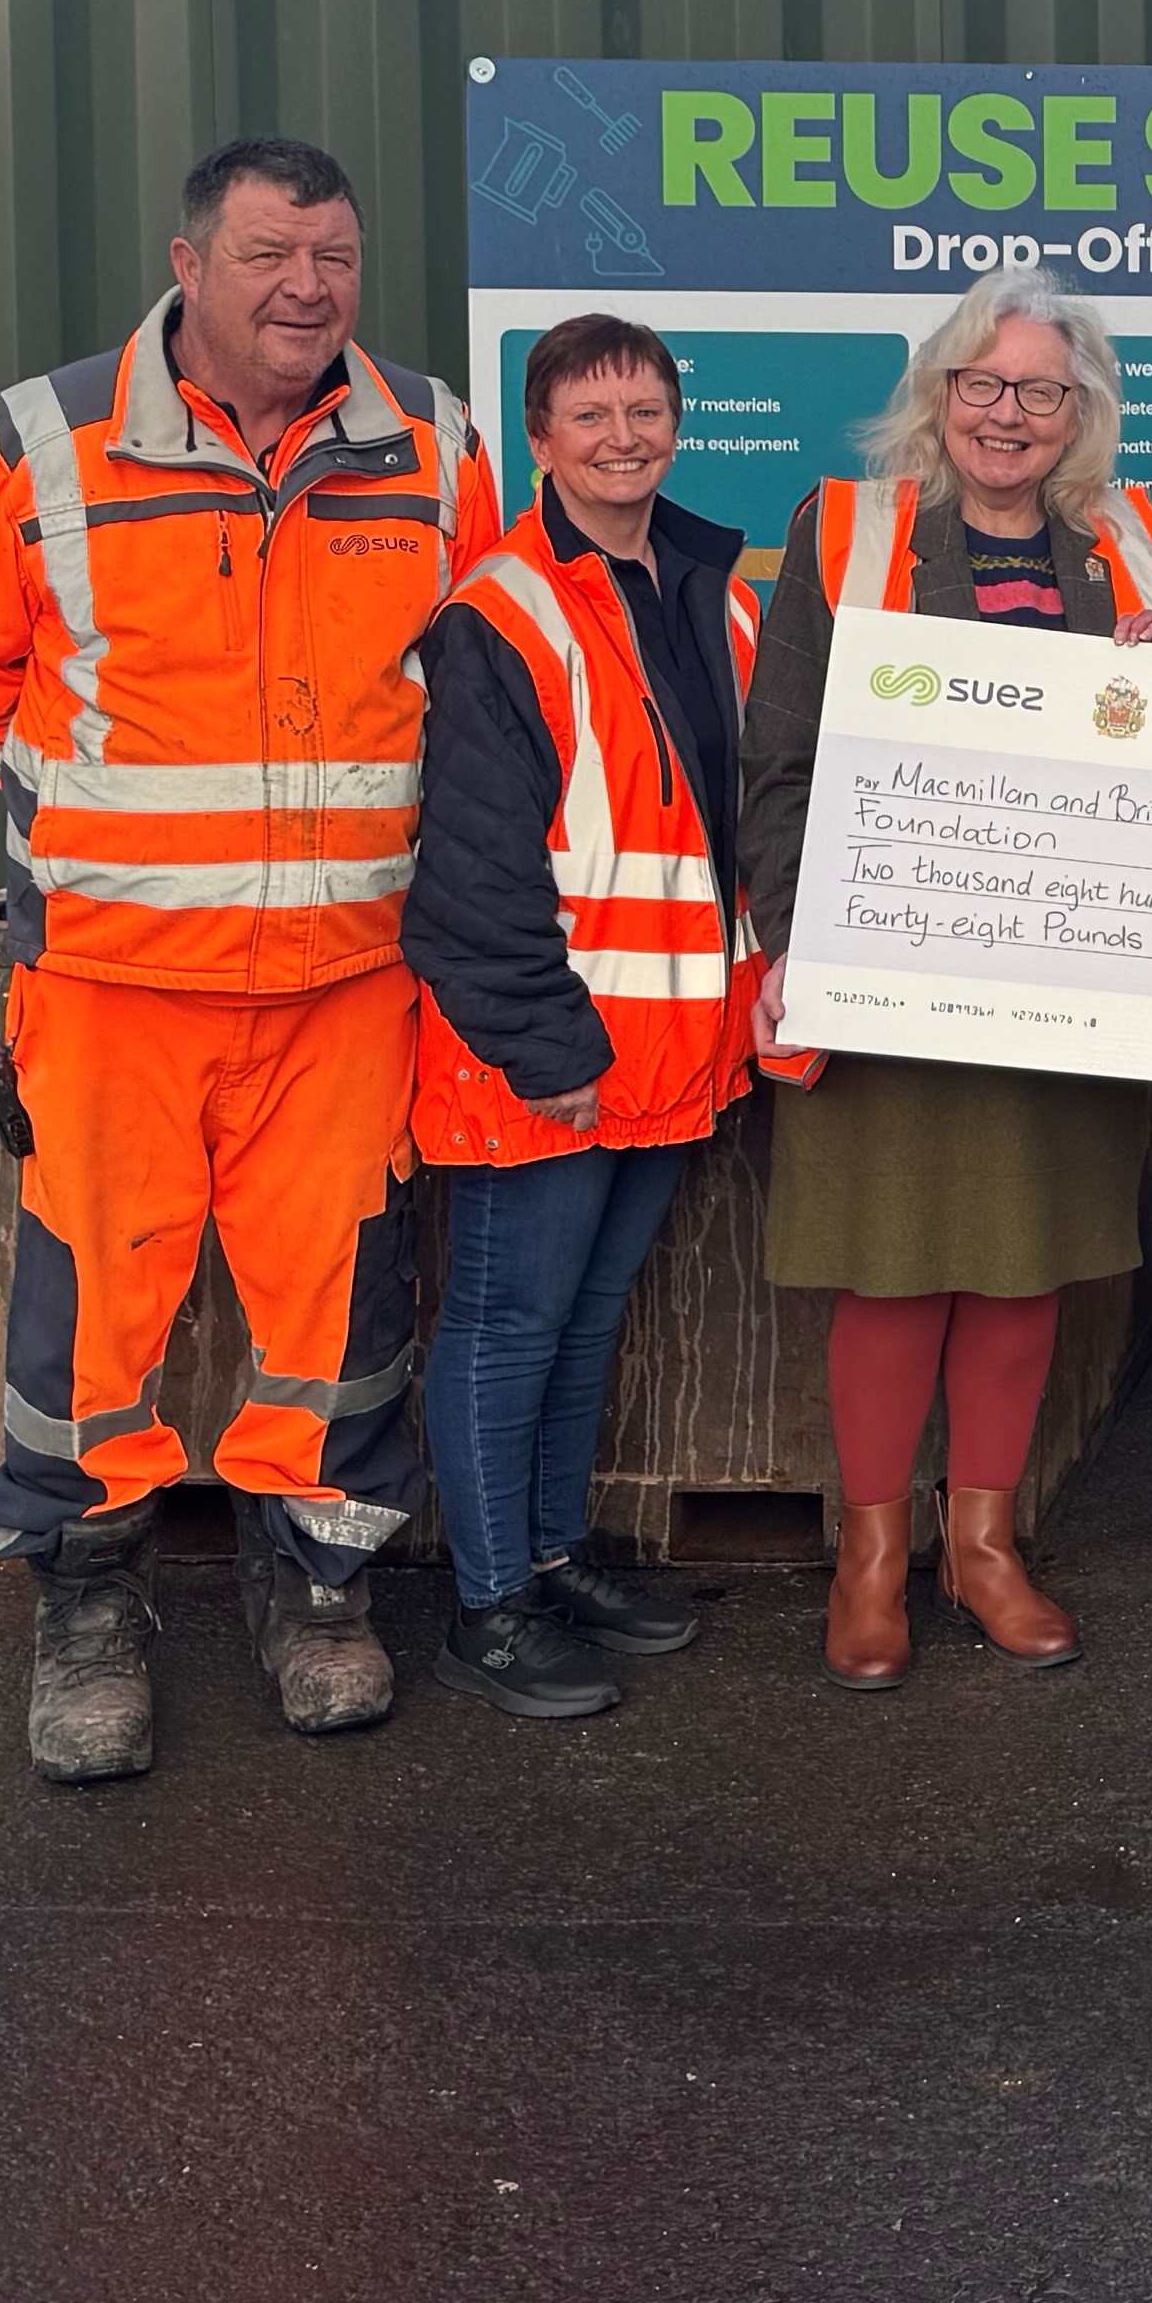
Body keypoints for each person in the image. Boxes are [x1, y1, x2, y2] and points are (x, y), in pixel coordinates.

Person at [0, 136, 502, 1786]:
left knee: (343, 1306)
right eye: (268, 256)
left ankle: (319, 1583)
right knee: (93, 1306)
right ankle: (91, 1595)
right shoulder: (34, 442)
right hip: (109, 976)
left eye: (336, 258)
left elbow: (481, 662)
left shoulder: (433, 444)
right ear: (188, 263)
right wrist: (77, 806)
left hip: (350, 977)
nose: (308, 288)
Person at [737, 264, 1152, 1691]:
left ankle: (983, 1546)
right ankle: (872, 1558)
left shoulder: (1132, 543)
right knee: (890, 1266)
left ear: (1081, 414)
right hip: (883, 967)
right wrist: (793, 938)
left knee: (1018, 1268)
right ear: (938, 393)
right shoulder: (844, 528)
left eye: (1041, 391)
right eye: (983, 384)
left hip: (1065, 977)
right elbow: (781, 751)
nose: (1008, 414)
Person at [399, 312, 752, 1723]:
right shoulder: (503, 609)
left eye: (645, 412)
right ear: (538, 441)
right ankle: (487, 1608)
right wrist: (545, 1050)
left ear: (676, 424)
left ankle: (553, 1555)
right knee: (505, 1326)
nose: (624, 439)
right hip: (547, 1053)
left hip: (669, 1051)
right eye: (591, 417)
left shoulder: (714, 591)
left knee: (587, 1321)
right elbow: (471, 870)